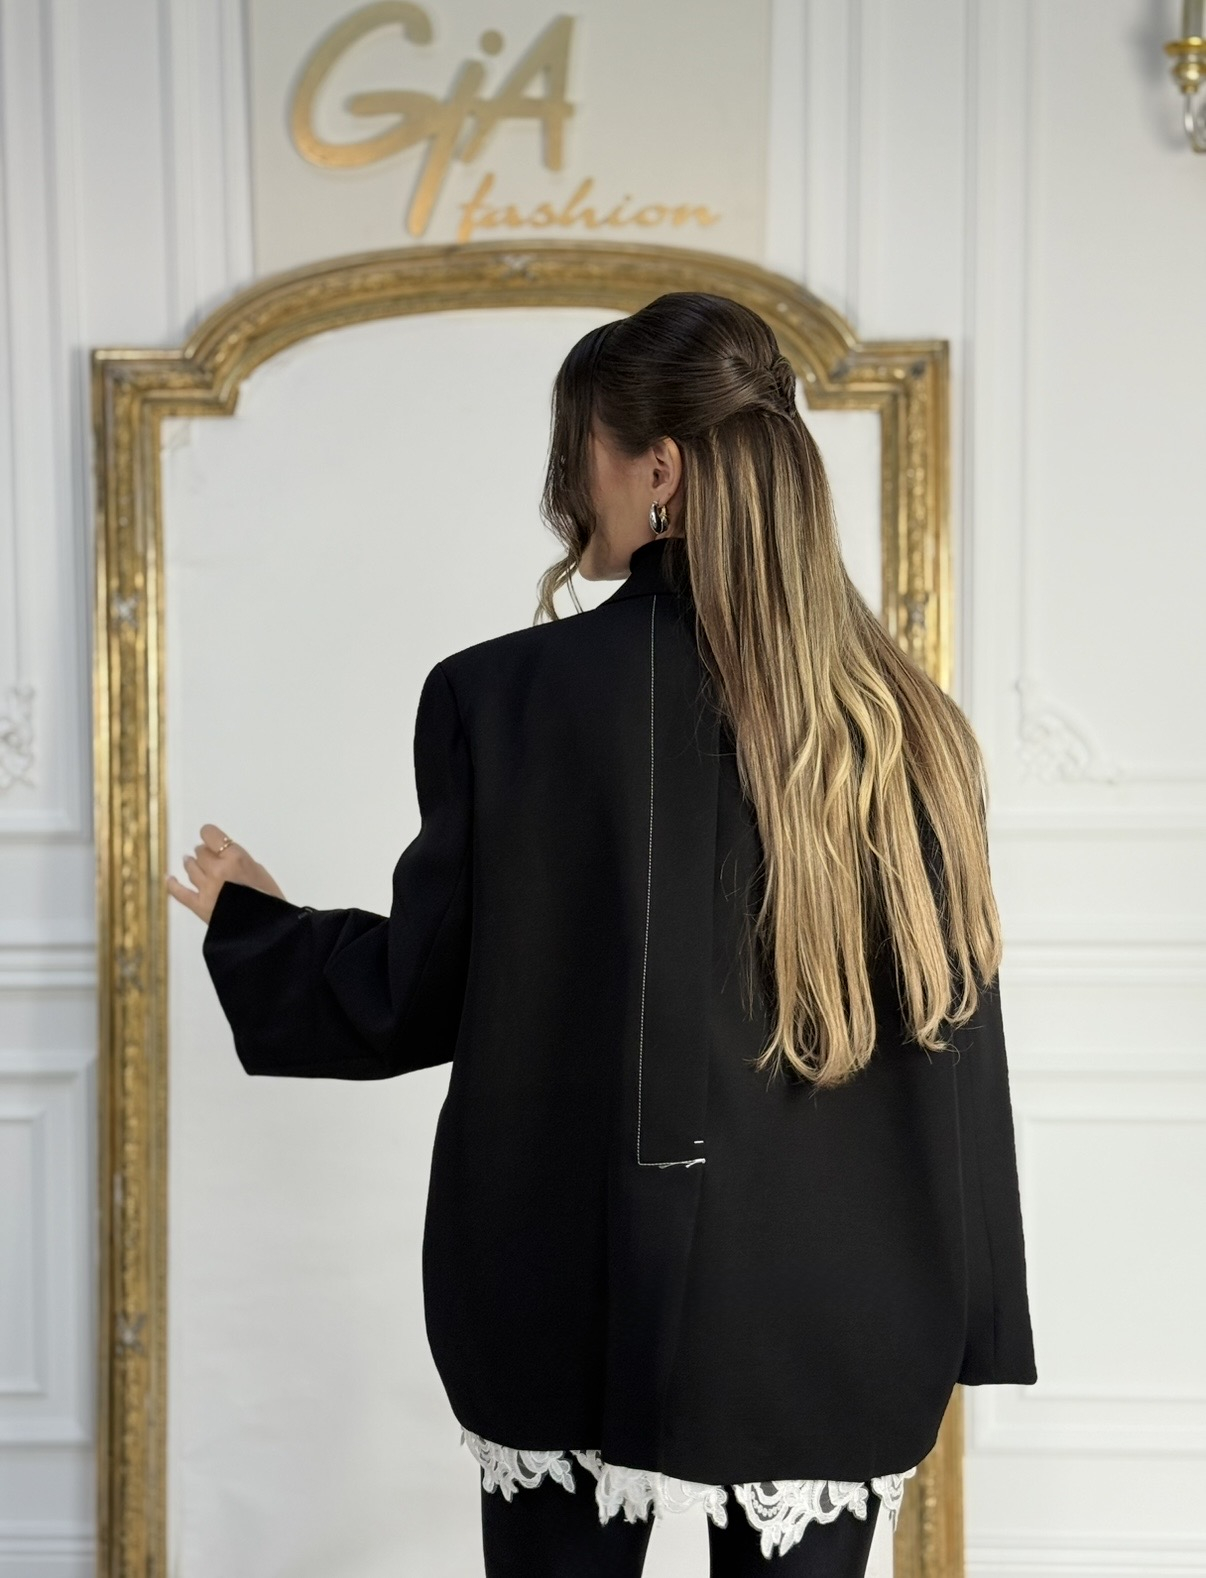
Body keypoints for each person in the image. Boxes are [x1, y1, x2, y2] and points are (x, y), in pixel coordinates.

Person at [168, 292, 1037, 1577]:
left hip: (561, 1273)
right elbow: (959, 1044)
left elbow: (423, 990)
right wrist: (975, 1309)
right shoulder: (904, 722)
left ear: (659, 470)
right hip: (848, 1295)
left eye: (583, 448)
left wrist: (258, 928)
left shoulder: (503, 697)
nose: (572, 484)